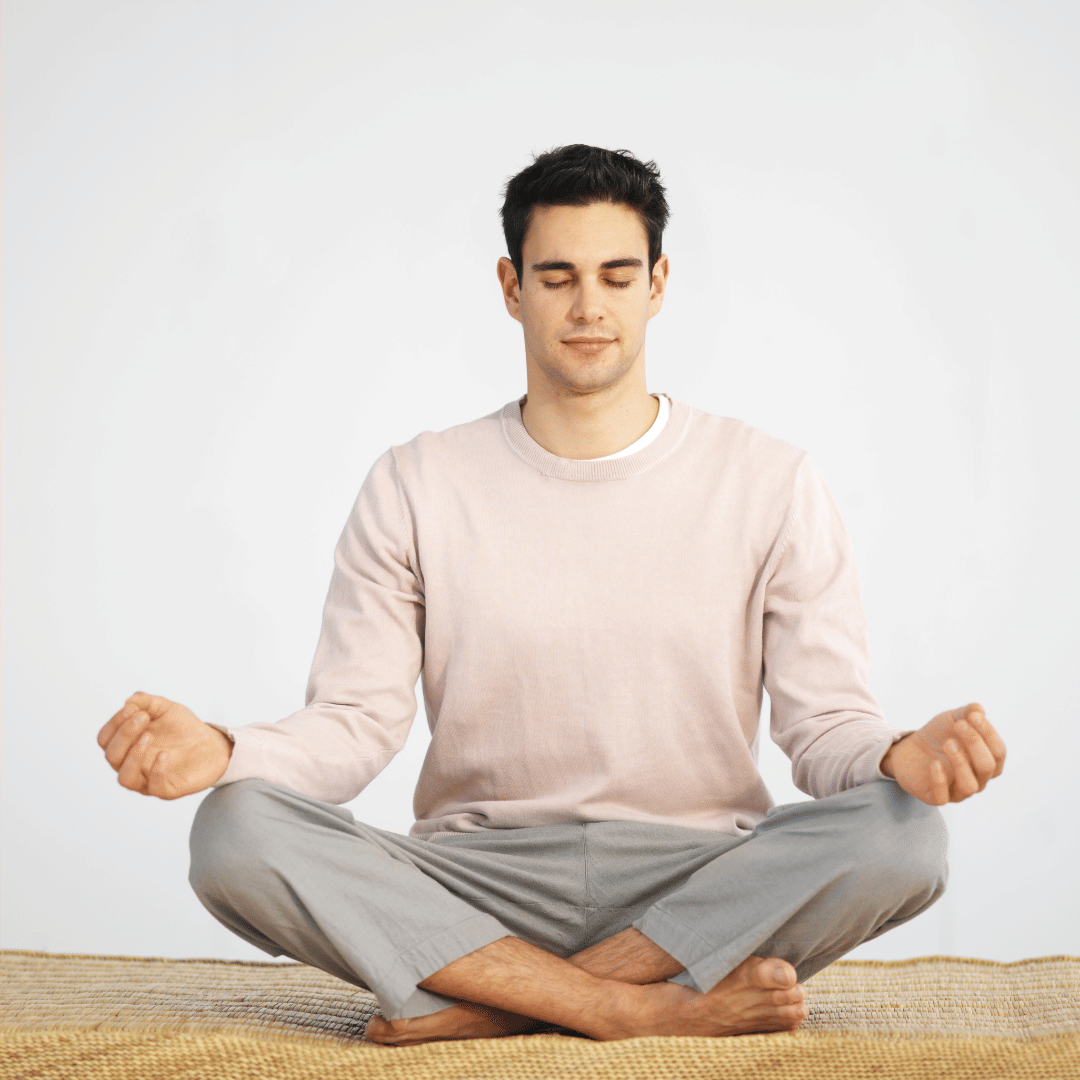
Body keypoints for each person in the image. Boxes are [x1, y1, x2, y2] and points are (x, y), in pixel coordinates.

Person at [97, 144, 1006, 1045]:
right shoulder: (417, 483)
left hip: (697, 880)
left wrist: (897, 756)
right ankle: (624, 1009)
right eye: (557, 275)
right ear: (510, 287)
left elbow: (823, 729)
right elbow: (352, 726)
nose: (588, 306)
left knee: (904, 835)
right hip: (474, 885)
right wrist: (222, 750)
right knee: (235, 831)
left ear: (657, 285)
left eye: (616, 275)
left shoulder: (770, 480)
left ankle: (493, 1005)